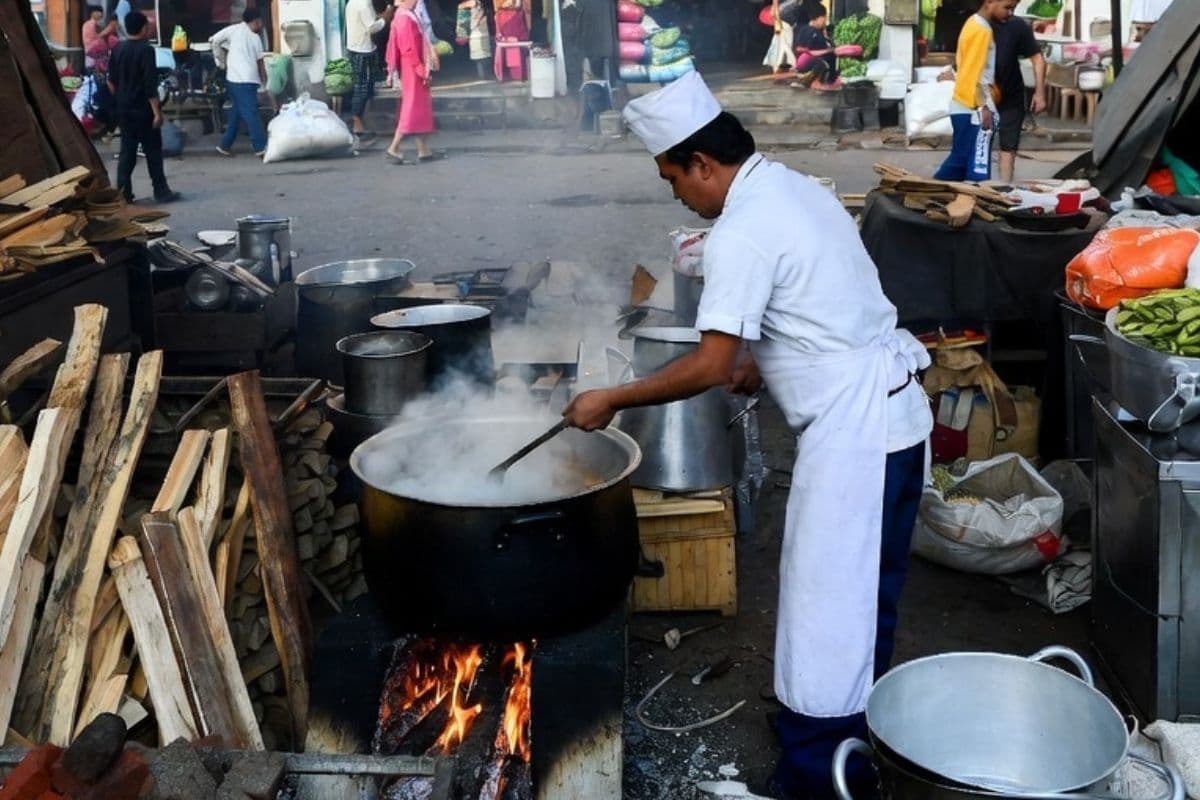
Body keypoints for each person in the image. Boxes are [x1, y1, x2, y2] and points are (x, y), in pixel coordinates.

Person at [563, 70, 932, 800]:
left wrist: (611, 397)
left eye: (675, 182)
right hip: (897, 418)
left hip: (855, 433)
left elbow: (707, 365)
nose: (679, 196)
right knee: (869, 599)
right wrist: (765, 363)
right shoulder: (795, 187)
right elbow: (825, 302)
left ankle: (819, 776)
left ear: (704, 164)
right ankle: (863, 740)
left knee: (826, 609)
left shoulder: (741, 231)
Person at [933, 0, 1012, 182]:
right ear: (990, 2)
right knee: (978, 166)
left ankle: (931, 191)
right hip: (975, 108)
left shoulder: (971, 23)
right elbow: (978, 73)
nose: (1010, 13)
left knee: (960, 160)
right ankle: (931, 191)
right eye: (1007, 7)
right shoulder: (983, 30)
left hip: (962, 103)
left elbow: (965, 65)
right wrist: (985, 106)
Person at [108, 11, 180, 203]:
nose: (149, 29)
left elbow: (111, 81)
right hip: (143, 109)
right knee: (153, 151)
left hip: (124, 108)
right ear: (142, 28)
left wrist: (121, 98)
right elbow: (149, 84)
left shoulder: (118, 49)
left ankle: (123, 193)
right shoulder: (146, 50)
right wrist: (157, 112)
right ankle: (161, 190)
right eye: (147, 26)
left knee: (127, 151)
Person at [384, 0, 439, 163]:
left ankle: (423, 150)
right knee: (411, 107)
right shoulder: (404, 18)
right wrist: (421, 70)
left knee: (419, 107)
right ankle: (394, 147)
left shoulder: (407, 14)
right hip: (412, 67)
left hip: (413, 66)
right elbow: (408, 49)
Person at [211, 8, 269, 156]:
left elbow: (214, 40)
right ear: (256, 21)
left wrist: (221, 61)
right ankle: (260, 147)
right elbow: (260, 62)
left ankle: (225, 145)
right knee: (251, 114)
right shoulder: (256, 38)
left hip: (234, 79)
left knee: (236, 113)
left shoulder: (233, 30)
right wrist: (264, 80)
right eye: (260, 22)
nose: (261, 25)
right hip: (246, 80)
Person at [346, 0, 395, 140]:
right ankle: (357, 123)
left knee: (364, 85)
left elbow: (367, 21)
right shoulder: (364, 4)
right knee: (362, 87)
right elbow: (372, 27)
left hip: (356, 47)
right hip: (363, 49)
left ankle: (361, 121)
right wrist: (386, 18)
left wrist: (381, 16)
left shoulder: (352, 3)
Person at [792, 9, 841, 92]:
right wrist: (828, 51)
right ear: (819, 18)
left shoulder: (817, 31)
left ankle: (824, 81)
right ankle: (812, 82)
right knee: (822, 63)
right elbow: (804, 50)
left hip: (816, 61)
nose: (825, 22)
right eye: (824, 19)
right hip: (812, 62)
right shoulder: (809, 31)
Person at [762, 0, 797, 75]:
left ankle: (779, 67)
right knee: (784, 45)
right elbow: (775, 10)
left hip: (784, 22)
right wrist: (778, 23)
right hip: (783, 23)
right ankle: (791, 65)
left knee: (782, 44)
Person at [82, 6, 119, 72]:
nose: (100, 13)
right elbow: (95, 39)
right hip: (93, 57)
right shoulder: (91, 24)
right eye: (98, 11)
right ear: (92, 13)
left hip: (95, 58)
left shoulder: (96, 24)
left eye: (101, 12)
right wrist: (106, 31)